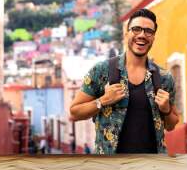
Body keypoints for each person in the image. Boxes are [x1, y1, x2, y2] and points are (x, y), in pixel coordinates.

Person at [69, 9, 179, 154]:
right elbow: (74, 113)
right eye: (136, 29)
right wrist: (102, 101)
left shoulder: (164, 78)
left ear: (153, 37)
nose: (142, 35)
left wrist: (166, 110)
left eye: (148, 31)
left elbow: (171, 125)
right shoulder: (101, 71)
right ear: (126, 33)